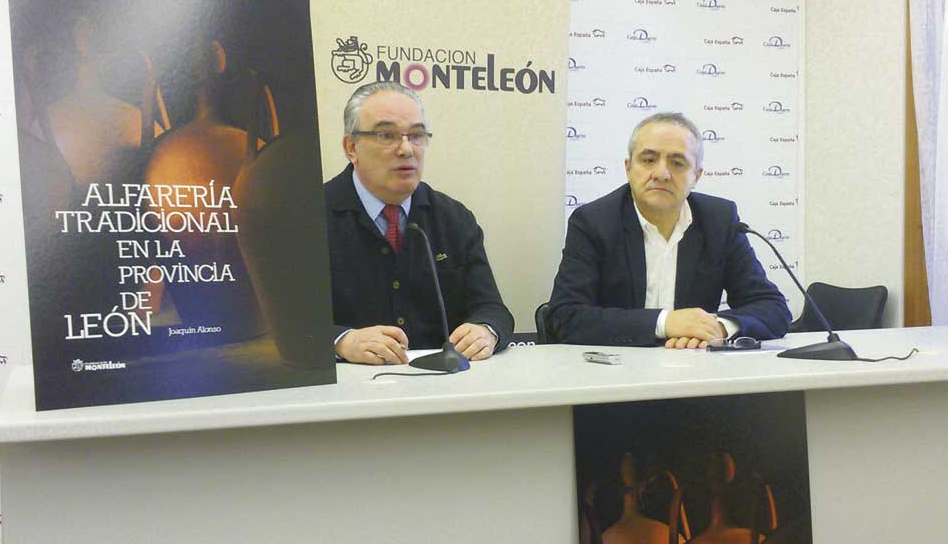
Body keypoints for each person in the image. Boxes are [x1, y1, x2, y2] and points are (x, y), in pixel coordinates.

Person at [548, 112, 790, 347]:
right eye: (649, 160)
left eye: (677, 163)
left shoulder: (719, 220)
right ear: (628, 168)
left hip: (696, 373)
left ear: (696, 176)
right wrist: (665, 322)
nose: (662, 174)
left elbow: (772, 307)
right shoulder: (594, 221)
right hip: (616, 372)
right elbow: (566, 317)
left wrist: (719, 327)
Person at [325, 82, 512, 364]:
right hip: (347, 391)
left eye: (417, 136)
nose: (406, 149)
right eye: (386, 135)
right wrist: (342, 340)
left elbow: (492, 308)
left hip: (441, 385)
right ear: (351, 147)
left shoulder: (453, 218)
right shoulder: (310, 217)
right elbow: (286, 322)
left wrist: (486, 330)